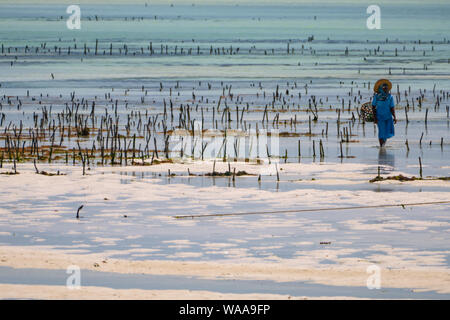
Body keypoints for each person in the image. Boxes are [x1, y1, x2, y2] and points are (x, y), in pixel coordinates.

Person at [372, 80, 397, 147]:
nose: (386, 89)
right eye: (384, 88)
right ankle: (381, 146)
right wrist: (375, 117)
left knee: (387, 132)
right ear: (381, 88)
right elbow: (373, 107)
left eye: (387, 88)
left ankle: (383, 145)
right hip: (379, 117)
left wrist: (394, 117)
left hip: (388, 117)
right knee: (381, 132)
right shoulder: (377, 97)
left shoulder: (390, 97)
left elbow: (392, 108)